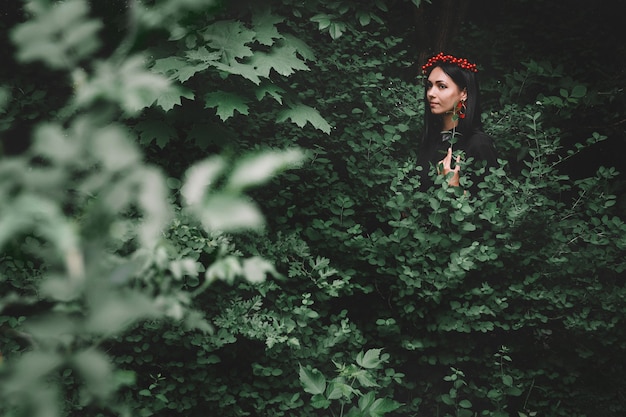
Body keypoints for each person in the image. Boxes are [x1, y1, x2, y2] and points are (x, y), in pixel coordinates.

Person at [418, 52, 497, 189]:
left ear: (464, 93)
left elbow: (493, 203)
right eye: (429, 85)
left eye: (441, 86)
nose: (431, 93)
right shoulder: (430, 140)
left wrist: (454, 188)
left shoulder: (478, 144)